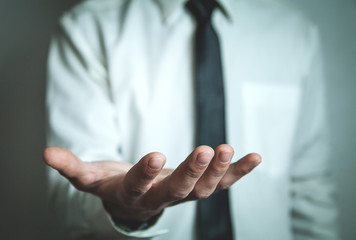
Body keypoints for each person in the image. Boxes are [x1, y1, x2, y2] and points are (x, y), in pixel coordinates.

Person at [43, 0, 339, 239]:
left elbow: (309, 186)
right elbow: (76, 189)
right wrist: (124, 209)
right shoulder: (88, 27)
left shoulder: (295, 31)